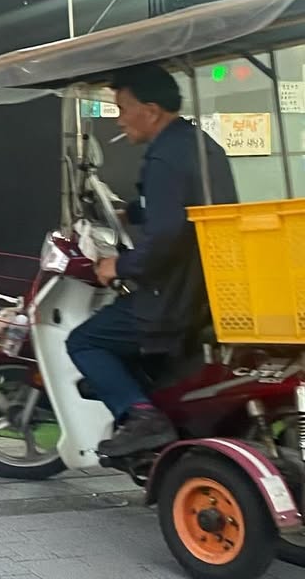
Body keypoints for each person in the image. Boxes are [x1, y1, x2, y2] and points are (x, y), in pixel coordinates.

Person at [66, 63, 236, 457]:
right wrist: (130, 213)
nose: (119, 120)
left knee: (85, 341)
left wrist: (119, 266)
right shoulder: (196, 143)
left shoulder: (163, 159)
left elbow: (165, 237)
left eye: (123, 109)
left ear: (151, 110)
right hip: (206, 286)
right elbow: (179, 206)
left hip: (174, 295)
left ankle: (142, 417)